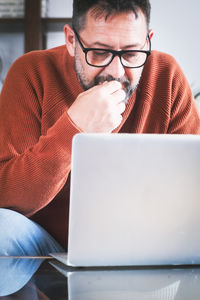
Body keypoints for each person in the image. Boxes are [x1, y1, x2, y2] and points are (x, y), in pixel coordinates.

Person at [0, 0, 199, 256]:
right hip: (48, 244)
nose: (116, 72)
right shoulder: (31, 73)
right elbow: (5, 195)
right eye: (100, 53)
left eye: (131, 54)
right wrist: (73, 128)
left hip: (145, 243)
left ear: (148, 42)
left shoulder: (167, 76)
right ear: (72, 40)